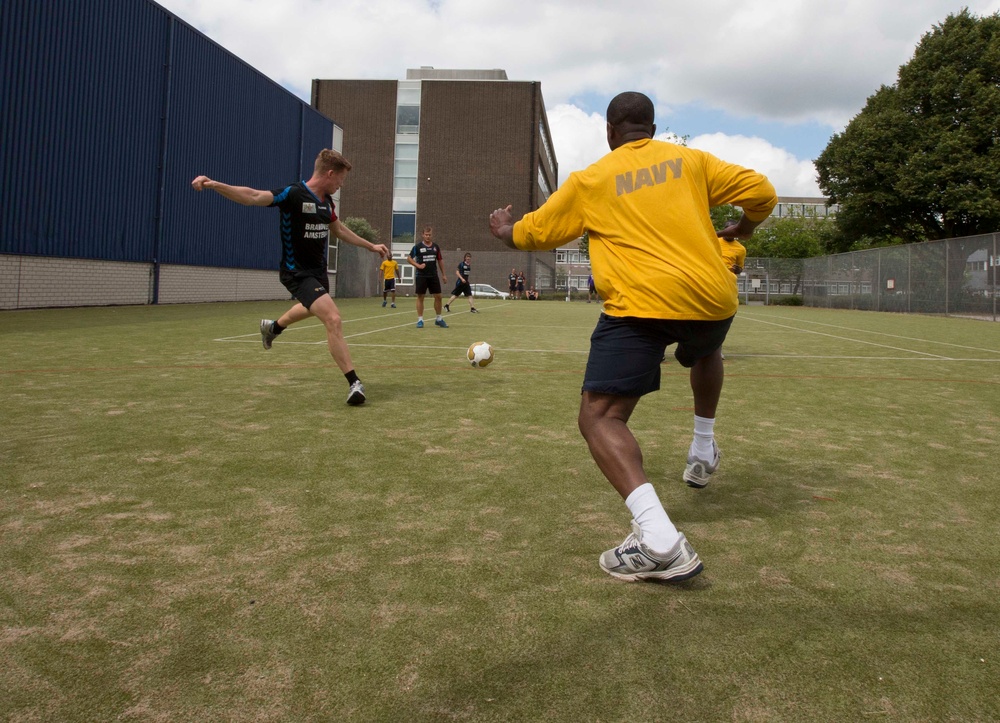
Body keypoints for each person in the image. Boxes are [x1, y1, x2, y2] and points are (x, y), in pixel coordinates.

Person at [489, 91, 776, 582]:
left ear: (609, 132)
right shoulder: (692, 161)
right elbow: (764, 192)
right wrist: (743, 228)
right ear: (653, 128)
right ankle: (703, 448)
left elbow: (538, 233)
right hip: (712, 300)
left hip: (641, 305)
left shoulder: (593, 179)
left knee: (599, 416)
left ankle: (659, 540)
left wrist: (504, 229)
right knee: (706, 350)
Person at [192, 148, 389, 406]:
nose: (341, 184)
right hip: (296, 272)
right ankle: (354, 382)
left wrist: (370, 246)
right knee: (332, 317)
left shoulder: (327, 203)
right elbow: (252, 196)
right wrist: (214, 184)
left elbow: (339, 230)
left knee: (311, 308)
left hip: (318, 272)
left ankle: (273, 327)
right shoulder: (293, 194)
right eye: (341, 179)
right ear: (329, 174)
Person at [407, 225, 449, 328]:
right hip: (421, 276)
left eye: (429, 235)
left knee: (438, 296)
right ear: (423, 235)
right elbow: (409, 258)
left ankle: (439, 318)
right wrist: (418, 266)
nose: (428, 237)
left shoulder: (436, 247)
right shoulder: (417, 247)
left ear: (432, 235)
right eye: (426, 235)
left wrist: (444, 274)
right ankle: (420, 320)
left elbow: (440, 260)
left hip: (433, 275)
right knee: (420, 297)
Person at [718, 236, 747, 360]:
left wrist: (738, 269)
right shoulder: (714, 241)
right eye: (726, 228)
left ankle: (717, 350)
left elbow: (740, 268)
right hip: (711, 281)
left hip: (728, 285)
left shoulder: (740, 248)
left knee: (722, 319)